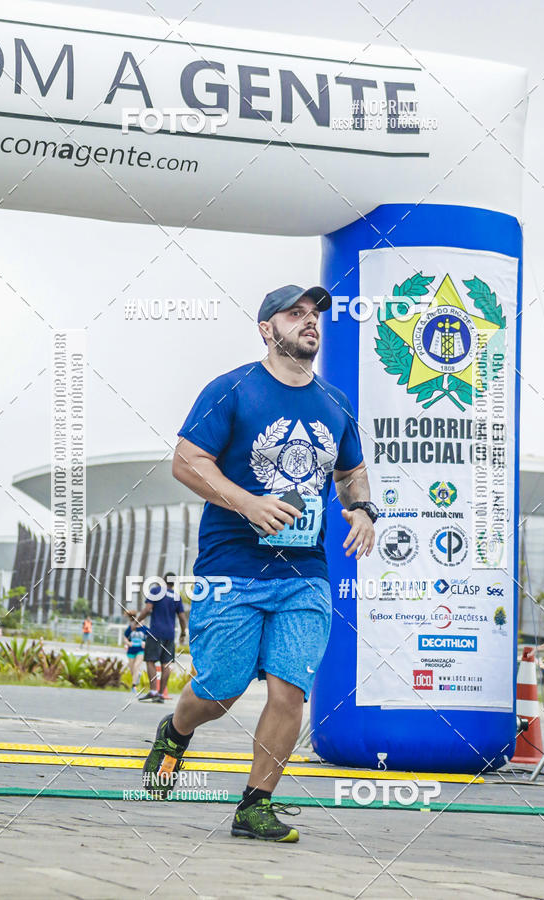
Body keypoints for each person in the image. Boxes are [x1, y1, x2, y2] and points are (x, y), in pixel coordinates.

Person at [142, 284, 378, 842]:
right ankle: (175, 732)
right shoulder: (232, 390)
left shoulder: (335, 402)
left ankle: (255, 806)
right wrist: (245, 501)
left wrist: (363, 509)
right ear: (266, 329)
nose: (309, 321)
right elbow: (186, 461)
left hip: (306, 575)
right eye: (294, 314)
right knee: (220, 691)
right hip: (233, 567)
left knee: (288, 688)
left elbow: (349, 473)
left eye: (314, 314)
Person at [136, 572, 187, 702]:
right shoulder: (176, 596)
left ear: (163, 581)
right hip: (169, 634)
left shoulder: (156, 591)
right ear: (174, 583)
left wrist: (136, 621)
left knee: (150, 661)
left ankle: (153, 691)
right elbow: (182, 617)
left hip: (155, 633)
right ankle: (160, 694)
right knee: (166, 664)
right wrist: (182, 633)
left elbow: (147, 609)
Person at [123, 610, 147, 692]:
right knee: (132, 668)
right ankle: (138, 675)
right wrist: (128, 642)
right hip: (131, 651)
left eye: (143, 619)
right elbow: (125, 637)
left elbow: (152, 639)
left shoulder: (145, 629)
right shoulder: (131, 628)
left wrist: (146, 643)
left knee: (136, 666)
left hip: (140, 651)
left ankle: (133, 686)